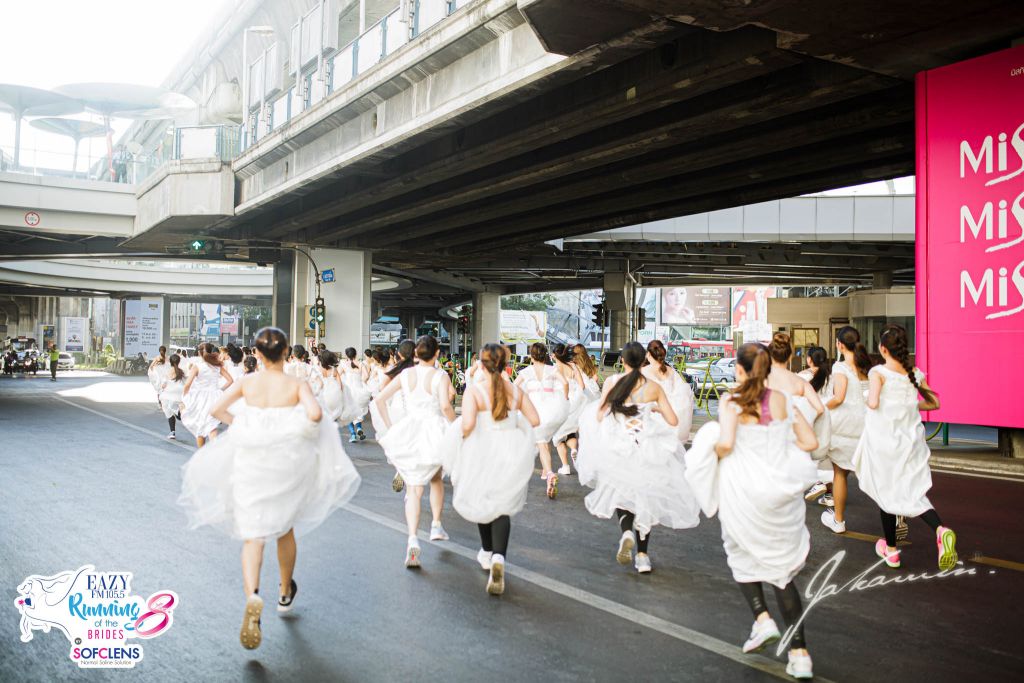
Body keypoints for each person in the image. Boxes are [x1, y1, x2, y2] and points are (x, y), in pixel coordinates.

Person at [178, 327, 360, 650]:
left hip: (252, 463)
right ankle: (284, 592)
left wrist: (248, 425)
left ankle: (252, 596)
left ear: (258, 355)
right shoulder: (296, 384)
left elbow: (216, 411)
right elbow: (316, 414)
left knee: (253, 535)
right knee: (284, 528)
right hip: (285, 465)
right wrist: (291, 427)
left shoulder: (249, 382)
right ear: (287, 352)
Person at [685, 343, 819, 680]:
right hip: (778, 494)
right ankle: (800, 654)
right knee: (782, 573)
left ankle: (762, 620)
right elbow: (810, 442)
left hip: (743, 493)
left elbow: (727, 444)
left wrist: (707, 447)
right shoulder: (782, 400)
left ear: (742, 370)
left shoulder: (733, 401)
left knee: (741, 557)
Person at [577, 342, 699, 574]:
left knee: (623, 495)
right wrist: (653, 409)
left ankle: (625, 533)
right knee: (645, 498)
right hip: (647, 446)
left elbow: (600, 414)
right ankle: (643, 556)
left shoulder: (613, 383)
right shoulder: (653, 387)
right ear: (643, 360)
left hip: (620, 446)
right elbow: (674, 421)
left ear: (622, 361)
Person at [853, 324, 956, 570]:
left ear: (883, 348)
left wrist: (867, 398)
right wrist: (909, 405)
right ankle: (940, 530)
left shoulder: (878, 372)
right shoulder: (915, 373)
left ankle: (891, 551)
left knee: (885, 493)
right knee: (912, 493)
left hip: (885, 444)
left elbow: (874, 402)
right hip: (910, 445)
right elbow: (934, 404)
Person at [444, 343, 541, 595]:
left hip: (482, 450)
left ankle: (487, 551)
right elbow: (535, 420)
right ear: (504, 364)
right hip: (509, 451)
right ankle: (498, 557)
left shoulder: (475, 392)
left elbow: (467, 425)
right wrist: (511, 424)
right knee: (503, 505)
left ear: (482, 363)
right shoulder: (515, 390)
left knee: (482, 498)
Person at [375, 336, 456, 567]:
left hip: (409, 430)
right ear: (437, 353)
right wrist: (455, 425)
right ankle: (436, 525)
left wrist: (392, 428)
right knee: (437, 479)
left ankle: (412, 540)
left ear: (416, 354)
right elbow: (445, 406)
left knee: (413, 488)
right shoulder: (440, 375)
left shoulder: (405, 374)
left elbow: (380, 399)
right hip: (433, 431)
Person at [822, 326, 872, 534]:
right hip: (867, 424)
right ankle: (897, 517)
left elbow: (839, 397)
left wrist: (821, 405)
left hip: (844, 426)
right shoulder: (866, 366)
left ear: (840, 344)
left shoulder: (840, 367)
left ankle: (839, 521)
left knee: (840, 474)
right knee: (875, 474)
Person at [514, 343, 569, 498]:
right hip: (551, 409)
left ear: (531, 356)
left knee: (541, 442)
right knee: (544, 439)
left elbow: (514, 386)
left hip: (533, 410)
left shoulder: (526, 372)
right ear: (545, 355)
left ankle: (549, 473)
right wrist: (565, 398)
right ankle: (546, 471)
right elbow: (564, 383)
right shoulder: (552, 370)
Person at [181, 342, 235, 447]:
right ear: (211, 352)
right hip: (215, 397)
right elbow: (230, 380)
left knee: (200, 426)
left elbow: (187, 384)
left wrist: (184, 397)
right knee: (212, 425)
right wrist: (220, 390)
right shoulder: (217, 366)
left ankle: (202, 454)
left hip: (200, 398)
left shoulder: (197, 367)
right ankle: (213, 450)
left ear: (199, 353)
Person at [641, 340, 694, 445]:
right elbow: (683, 390)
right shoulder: (671, 371)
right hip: (671, 412)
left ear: (648, 354)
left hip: (653, 413)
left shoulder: (644, 371)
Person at [799, 347, 834, 504]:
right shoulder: (831, 377)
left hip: (810, 417)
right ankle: (829, 494)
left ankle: (818, 482)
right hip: (829, 418)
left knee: (808, 454)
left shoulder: (803, 376)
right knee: (826, 454)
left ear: (809, 359)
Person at [551, 343, 586, 475]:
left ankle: (565, 466)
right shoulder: (573, 367)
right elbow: (582, 386)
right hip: (575, 402)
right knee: (570, 432)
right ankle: (573, 449)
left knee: (558, 438)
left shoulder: (554, 369)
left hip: (561, 401)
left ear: (555, 354)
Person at [339, 347, 371, 443]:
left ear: (346, 355)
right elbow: (366, 376)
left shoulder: (343, 364)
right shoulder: (361, 364)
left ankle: (353, 434)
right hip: (359, 390)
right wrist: (361, 381)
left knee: (349, 413)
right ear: (355, 354)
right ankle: (359, 428)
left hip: (348, 391)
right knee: (358, 411)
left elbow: (337, 374)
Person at [161, 354, 186, 439]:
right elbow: (185, 382)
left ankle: (172, 431)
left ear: (170, 362)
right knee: (172, 407)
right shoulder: (181, 371)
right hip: (180, 392)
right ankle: (179, 413)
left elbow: (163, 385)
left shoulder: (167, 371)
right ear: (179, 362)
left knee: (168, 409)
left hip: (170, 393)